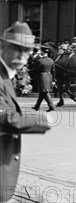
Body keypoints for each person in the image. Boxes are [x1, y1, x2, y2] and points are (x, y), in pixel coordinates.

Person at [1, 22, 54, 203]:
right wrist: (41, 119)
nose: (23, 55)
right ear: (3, 46)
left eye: (27, 50)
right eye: (17, 48)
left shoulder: (7, 75)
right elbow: (4, 117)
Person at [31, 45, 55, 112]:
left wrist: (31, 75)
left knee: (45, 92)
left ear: (42, 52)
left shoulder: (40, 61)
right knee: (42, 92)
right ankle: (37, 106)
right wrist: (54, 79)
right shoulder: (51, 60)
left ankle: (51, 106)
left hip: (42, 77)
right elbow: (53, 71)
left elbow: (35, 70)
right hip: (49, 76)